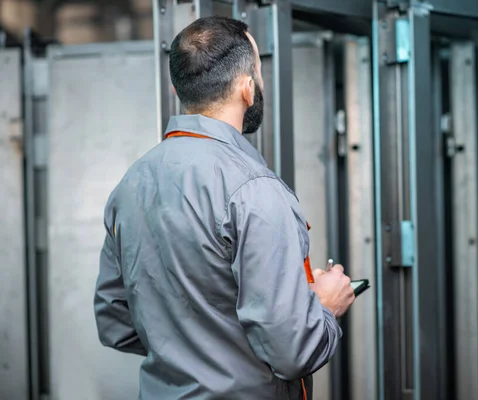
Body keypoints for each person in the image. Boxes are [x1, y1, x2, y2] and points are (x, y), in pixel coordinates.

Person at [93, 16, 356, 399]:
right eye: (259, 74)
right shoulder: (255, 189)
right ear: (248, 89)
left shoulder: (131, 184)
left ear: (178, 88)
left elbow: (116, 322)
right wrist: (325, 307)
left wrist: (191, 344)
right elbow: (293, 352)